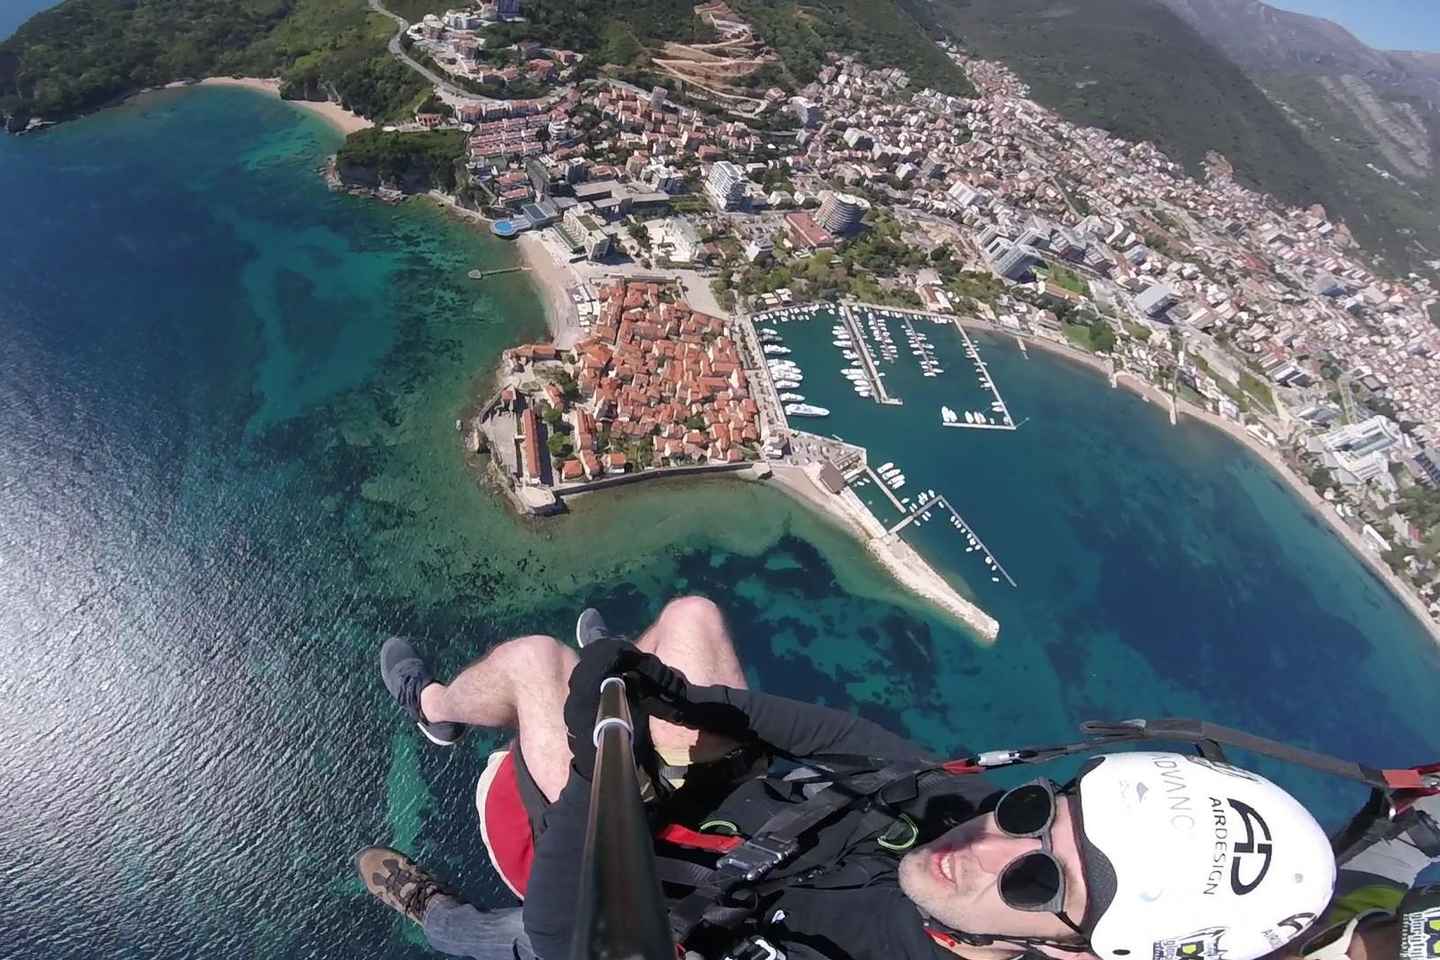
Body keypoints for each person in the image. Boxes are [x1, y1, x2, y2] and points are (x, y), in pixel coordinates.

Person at [355, 597, 1434, 960]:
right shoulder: (969, 821)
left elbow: (570, 939)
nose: (989, 845)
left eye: (1033, 885)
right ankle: (621, 665)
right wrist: (666, 694)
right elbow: (866, 750)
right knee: (690, 627)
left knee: (541, 666)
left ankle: (437, 773)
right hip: (734, 809)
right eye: (1029, 815)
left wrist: (602, 747)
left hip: (621, 892)